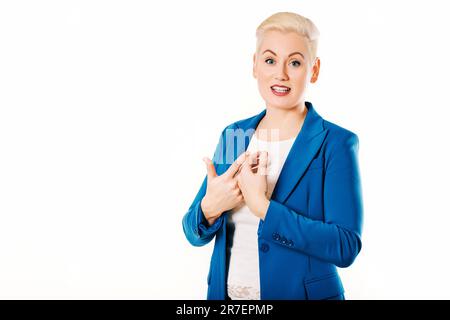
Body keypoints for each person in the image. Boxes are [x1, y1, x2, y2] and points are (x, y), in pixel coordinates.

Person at [182, 11, 363, 300]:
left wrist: (263, 207)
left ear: (313, 70)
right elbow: (193, 231)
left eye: (294, 62)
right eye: (269, 60)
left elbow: (345, 245)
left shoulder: (335, 143)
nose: (280, 74)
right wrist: (210, 207)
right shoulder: (235, 135)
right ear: (255, 65)